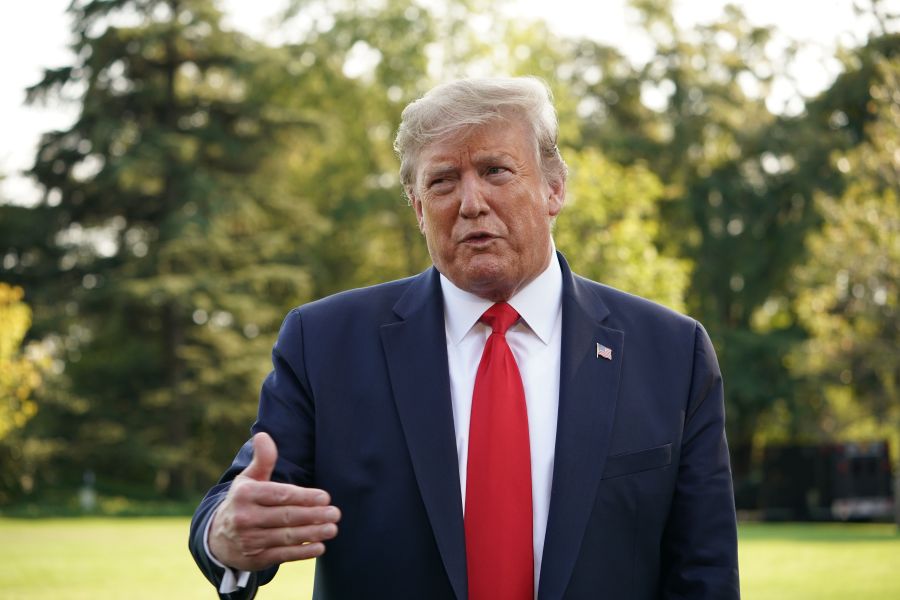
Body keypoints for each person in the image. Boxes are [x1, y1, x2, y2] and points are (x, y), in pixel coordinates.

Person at [189, 77, 740, 599]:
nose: (470, 202)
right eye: (442, 180)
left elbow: (704, 574)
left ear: (554, 187)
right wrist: (226, 535)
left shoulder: (671, 353)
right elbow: (241, 499)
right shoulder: (325, 342)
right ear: (417, 207)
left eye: (497, 170)